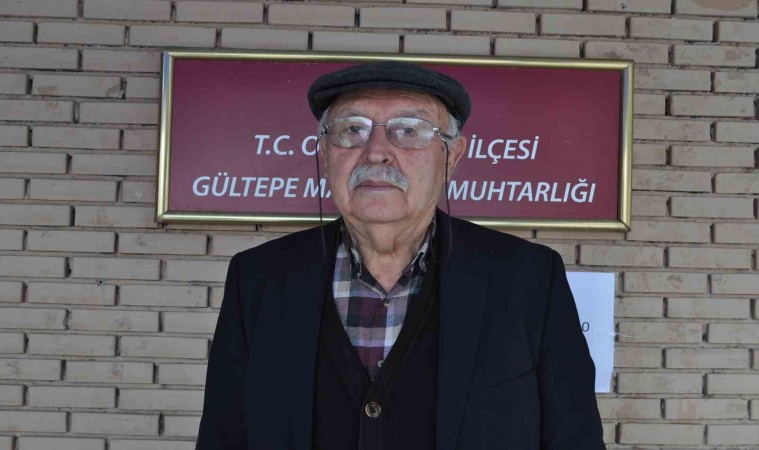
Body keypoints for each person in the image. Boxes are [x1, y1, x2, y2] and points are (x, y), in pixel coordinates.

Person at [196, 61, 605, 450]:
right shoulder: (259, 279)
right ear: (324, 153)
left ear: (452, 156)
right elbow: (223, 437)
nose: (376, 152)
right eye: (351, 130)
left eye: (409, 130)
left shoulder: (529, 278)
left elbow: (575, 439)